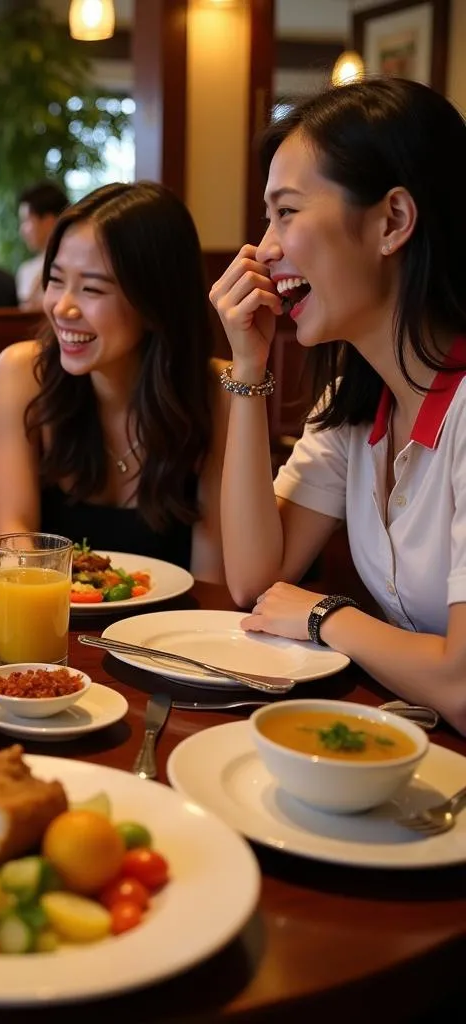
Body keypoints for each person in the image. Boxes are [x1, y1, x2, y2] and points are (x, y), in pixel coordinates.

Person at [209, 78, 466, 734]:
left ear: (393, 222)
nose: (263, 249)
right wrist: (248, 368)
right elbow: (255, 578)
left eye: (286, 212)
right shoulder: (358, 395)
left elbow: (461, 685)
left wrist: (326, 617)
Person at [0, 182, 228, 580]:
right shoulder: (22, 373)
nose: (62, 307)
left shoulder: (218, 392)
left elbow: (211, 577)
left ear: (155, 301)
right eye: (56, 279)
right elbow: (14, 540)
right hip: (52, 624)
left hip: (170, 634)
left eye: (92, 289)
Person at [16, 181, 69, 310]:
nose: (22, 230)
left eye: (26, 221)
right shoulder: (26, 270)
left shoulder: (78, 265)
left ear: (48, 221)